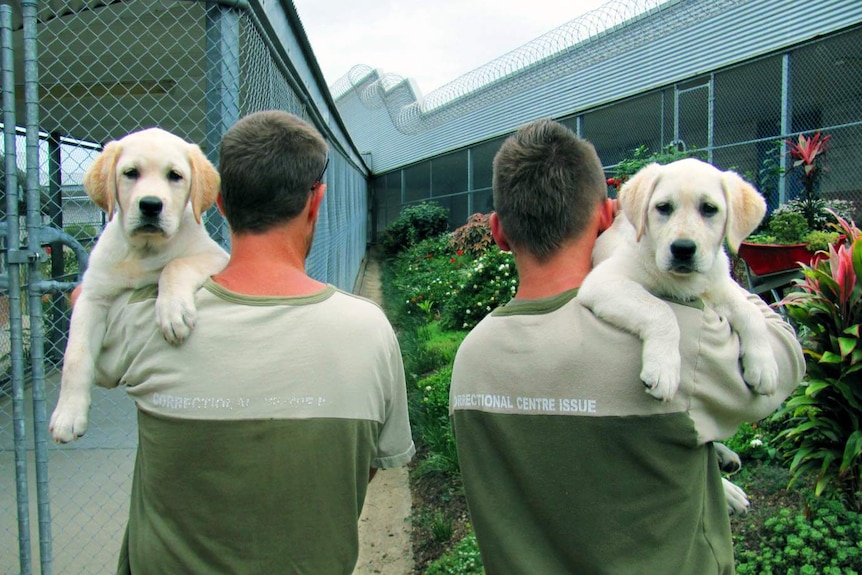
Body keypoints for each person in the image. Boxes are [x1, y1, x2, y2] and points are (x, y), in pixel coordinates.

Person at [449, 119, 805, 575]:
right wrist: (719, 280)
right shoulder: (691, 343)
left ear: (496, 232)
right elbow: (783, 360)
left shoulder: (471, 358)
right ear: (608, 216)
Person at [91, 110, 415, 574]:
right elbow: (363, 469)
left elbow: (91, 318)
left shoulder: (146, 319)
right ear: (316, 201)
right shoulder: (370, 331)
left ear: (216, 202)